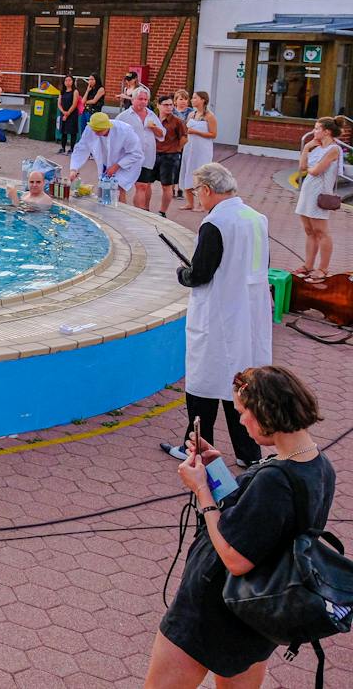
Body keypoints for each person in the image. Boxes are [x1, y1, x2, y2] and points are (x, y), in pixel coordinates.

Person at [148, 365, 331, 688]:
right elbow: (259, 520)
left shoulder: (274, 480)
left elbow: (236, 556)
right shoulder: (319, 466)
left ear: (267, 412)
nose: (241, 421)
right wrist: (215, 469)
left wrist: (202, 489)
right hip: (259, 613)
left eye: (244, 412)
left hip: (213, 608)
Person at [175, 162, 271, 468]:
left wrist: (182, 273)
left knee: (205, 379)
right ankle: (249, 452)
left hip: (219, 313)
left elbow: (200, 273)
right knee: (241, 383)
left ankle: (198, 447)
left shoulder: (216, 223)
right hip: (250, 310)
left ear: (206, 190)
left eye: (196, 192)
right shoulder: (256, 218)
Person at [295, 117, 341, 282]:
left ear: (326, 131)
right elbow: (302, 168)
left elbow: (316, 171)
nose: (314, 132)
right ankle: (308, 265)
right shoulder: (315, 147)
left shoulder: (333, 149)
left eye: (317, 129)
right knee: (309, 230)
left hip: (320, 193)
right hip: (308, 190)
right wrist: (307, 147)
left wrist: (310, 167)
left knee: (322, 232)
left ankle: (323, 268)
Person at [67, 112, 144, 204]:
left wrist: (117, 166)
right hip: (105, 161)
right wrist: (74, 168)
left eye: (99, 131)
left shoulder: (124, 130)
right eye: (94, 130)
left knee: (118, 189)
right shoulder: (90, 129)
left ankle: (120, 213)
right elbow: (81, 148)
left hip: (127, 162)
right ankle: (103, 209)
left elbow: (136, 153)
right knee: (104, 186)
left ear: (108, 126)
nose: (96, 133)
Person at [121, 87, 167, 210]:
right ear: (133, 100)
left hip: (147, 157)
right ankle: (121, 212)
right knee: (122, 186)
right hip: (128, 156)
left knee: (142, 186)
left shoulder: (152, 115)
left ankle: (140, 213)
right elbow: (115, 135)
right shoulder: (123, 116)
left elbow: (162, 134)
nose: (143, 102)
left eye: (145, 99)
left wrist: (153, 128)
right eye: (140, 99)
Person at [180, 92, 217, 211]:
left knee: (201, 175)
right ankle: (189, 202)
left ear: (203, 100)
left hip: (202, 149)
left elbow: (213, 134)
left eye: (195, 98)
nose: (192, 100)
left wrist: (196, 132)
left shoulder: (209, 116)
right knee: (188, 171)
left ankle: (202, 204)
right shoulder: (191, 114)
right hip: (190, 147)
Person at [153, 95, 187, 218]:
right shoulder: (153, 119)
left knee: (166, 185)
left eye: (171, 105)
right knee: (145, 183)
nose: (169, 107)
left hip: (169, 156)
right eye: (165, 105)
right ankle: (144, 208)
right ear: (158, 105)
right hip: (154, 154)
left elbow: (184, 138)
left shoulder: (177, 121)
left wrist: (177, 149)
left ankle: (162, 212)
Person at [56, 75, 82, 154]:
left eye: (69, 80)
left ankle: (72, 148)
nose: (68, 82)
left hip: (72, 114)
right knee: (63, 131)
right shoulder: (62, 92)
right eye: (66, 80)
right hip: (63, 113)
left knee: (72, 131)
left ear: (73, 81)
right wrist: (63, 112)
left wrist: (67, 113)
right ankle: (63, 148)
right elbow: (59, 104)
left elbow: (74, 104)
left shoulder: (75, 91)